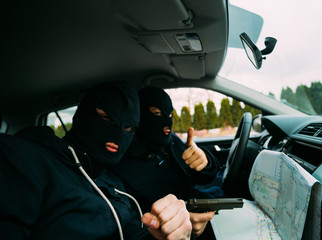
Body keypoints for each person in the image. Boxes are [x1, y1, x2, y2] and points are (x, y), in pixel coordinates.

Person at [0, 81, 191, 240]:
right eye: (106, 118)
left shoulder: (114, 184)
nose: (118, 134)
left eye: (129, 128)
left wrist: (166, 233)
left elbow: (131, 232)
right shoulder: (23, 159)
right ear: (83, 115)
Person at [107, 86, 219, 238]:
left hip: (205, 208)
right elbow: (133, 224)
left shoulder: (172, 141)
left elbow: (204, 177)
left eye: (171, 114)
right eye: (157, 113)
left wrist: (205, 161)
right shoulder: (122, 163)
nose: (167, 121)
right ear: (139, 116)